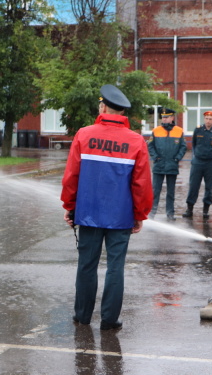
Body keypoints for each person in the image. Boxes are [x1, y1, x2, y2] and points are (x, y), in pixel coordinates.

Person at [62, 84, 153, 331]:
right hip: (120, 216)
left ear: (103, 107)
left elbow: (72, 176)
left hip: (88, 213)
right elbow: (142, 184)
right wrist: (139, 214)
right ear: (122, 113)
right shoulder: (136, 141)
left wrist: (70, 207)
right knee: (115, 268)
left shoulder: (84, 134)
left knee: (87, 265)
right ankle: (109, 320)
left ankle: (82, 315)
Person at [147, 108, 186, 220]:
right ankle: (152, 213)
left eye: (166, 117)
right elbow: (151, 146)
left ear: (172, 118)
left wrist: (177, 158)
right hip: (159, 165)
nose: (164, 119)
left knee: (171, 192)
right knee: (155, 191)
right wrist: (156, 157)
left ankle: (170, 213)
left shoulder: (179, 131)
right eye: (163, 117)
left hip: (172, 165)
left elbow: (183, 147)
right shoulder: (156, 130)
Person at [183, 111, 212, 220]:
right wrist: (196, 155)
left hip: (211, 163)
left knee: (209, 187)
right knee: (194, 185)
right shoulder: (198, 129)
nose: (208, 121)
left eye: (210, 119)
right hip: (198, 162)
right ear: (204, 119)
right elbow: (194, 144)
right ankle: (189, 208)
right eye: (206, 118)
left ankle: (206, 210)